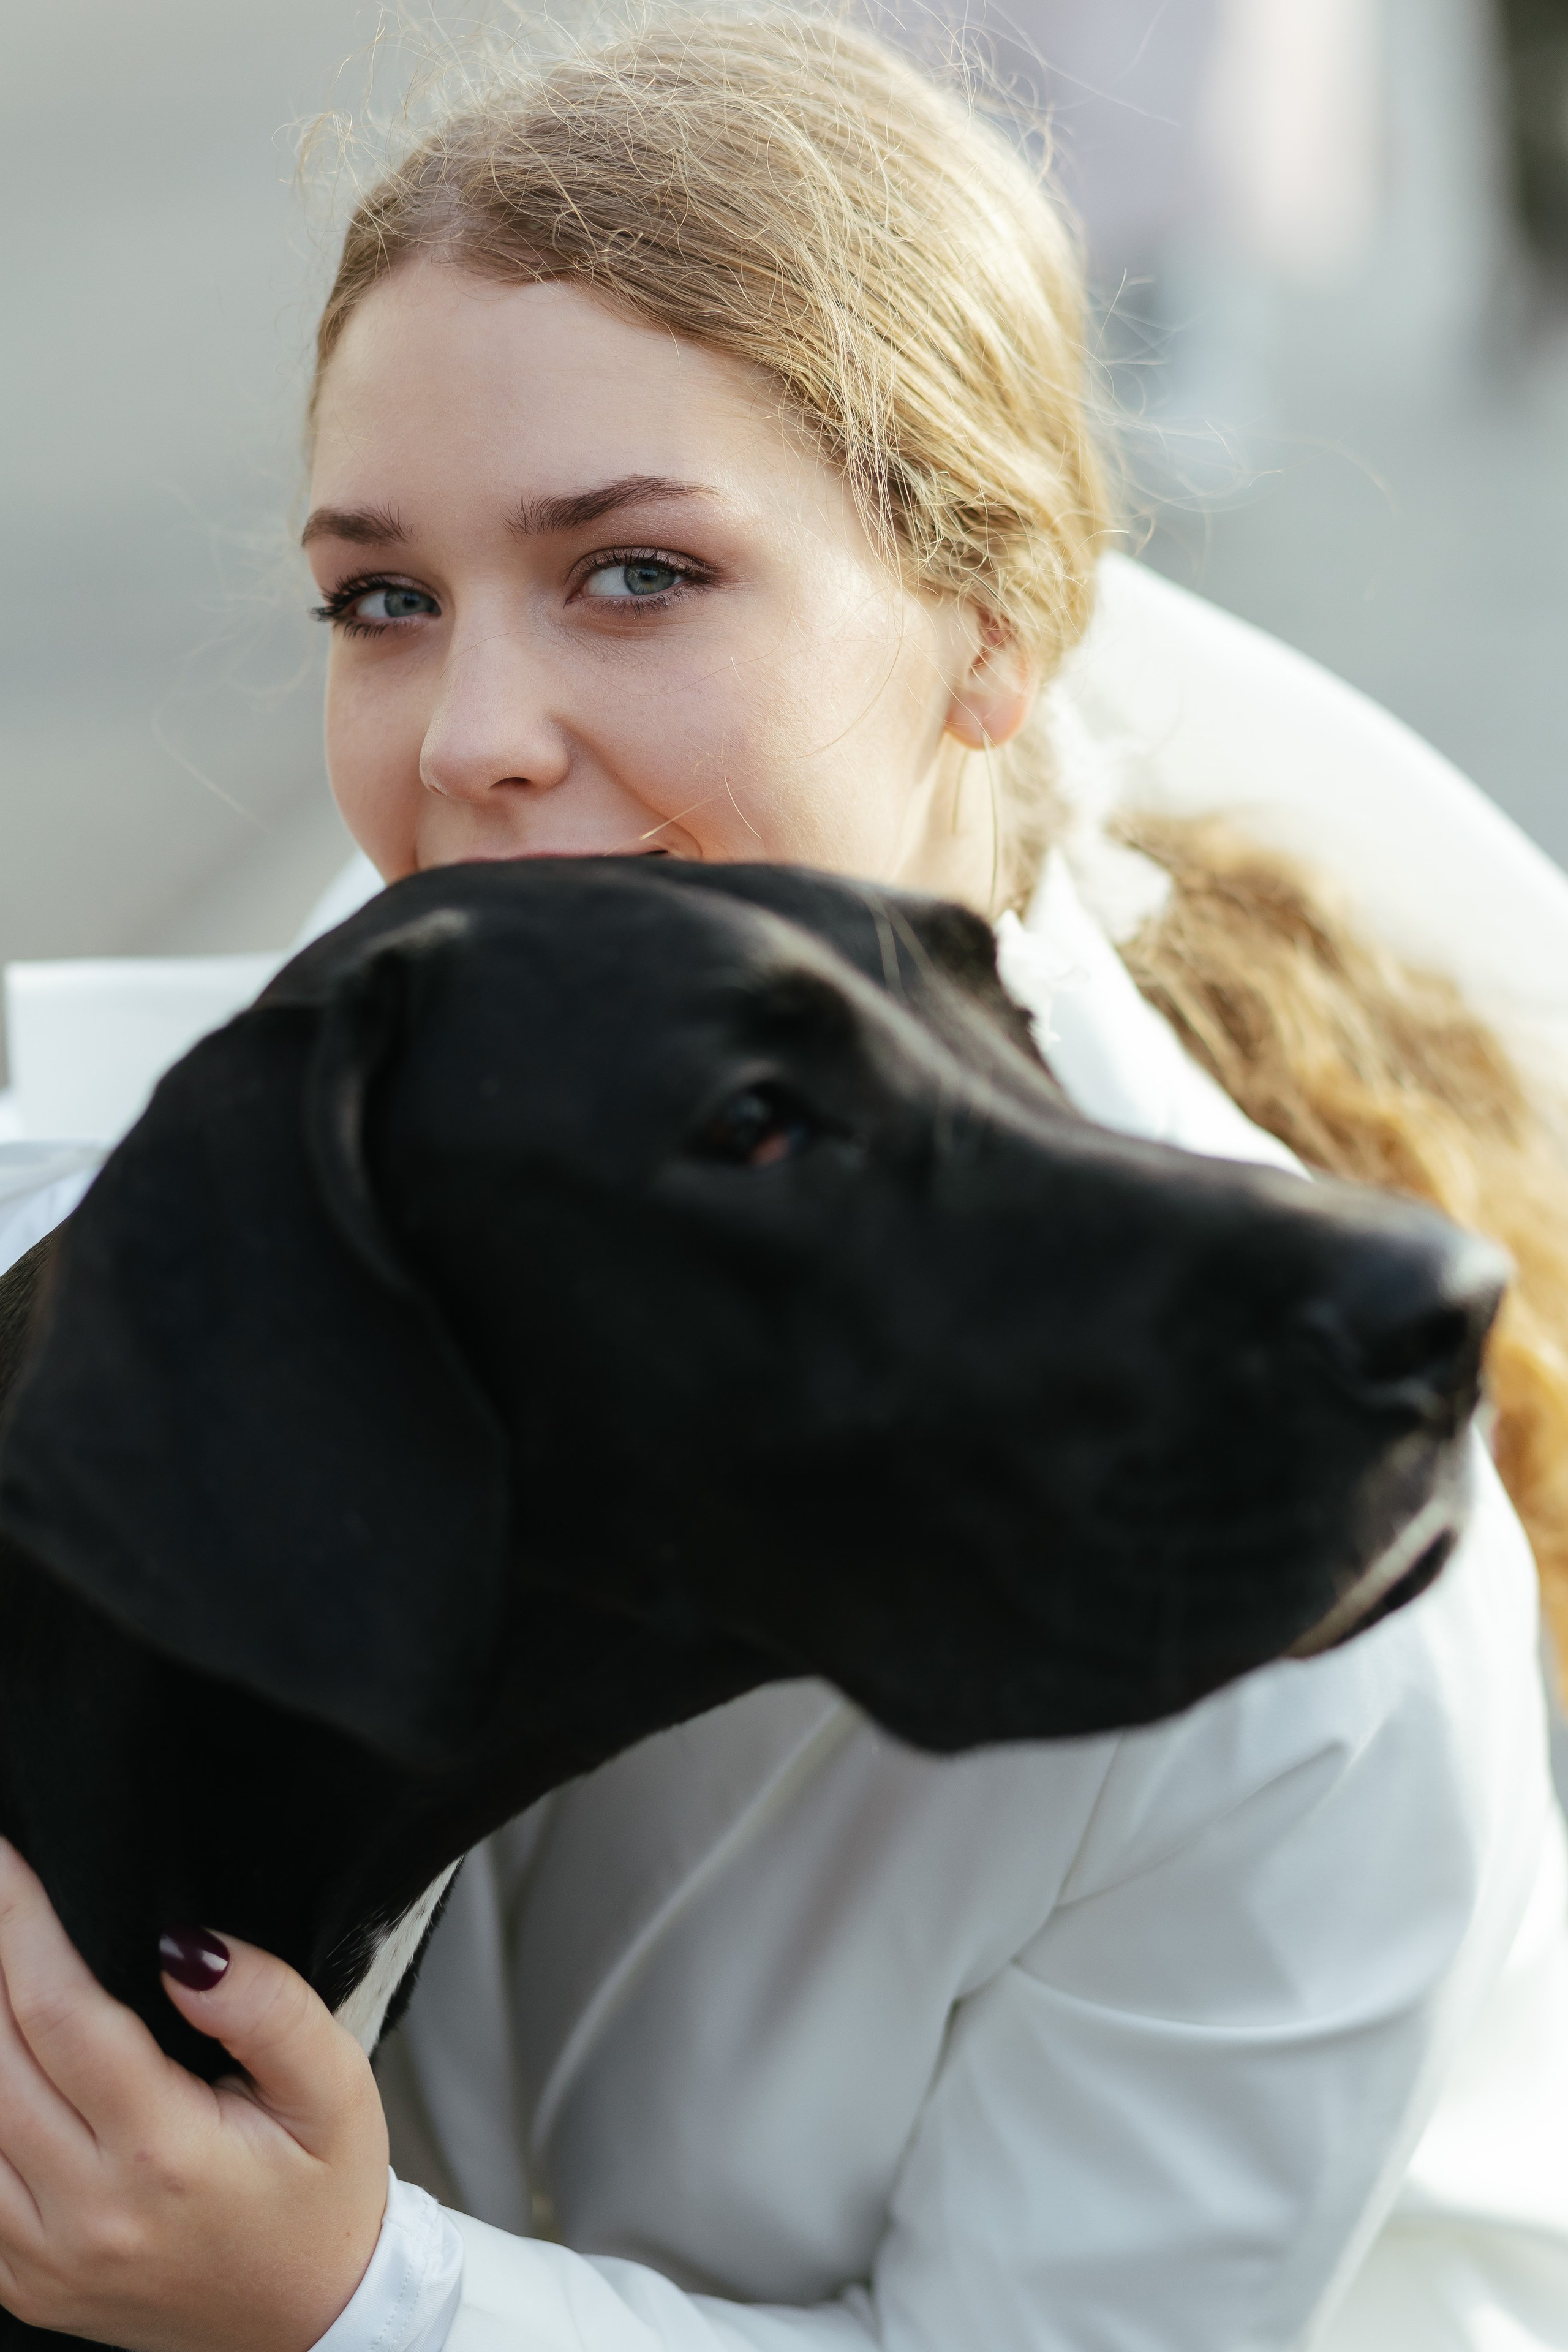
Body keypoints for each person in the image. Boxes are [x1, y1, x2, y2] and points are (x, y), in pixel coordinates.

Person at [1, 13, 1567, 2349]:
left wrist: (352, 2301)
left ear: (994, 622)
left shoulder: (1295, 1553)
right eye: (383, 599)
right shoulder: (121, 1186)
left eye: (633, 576)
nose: (474, 737)